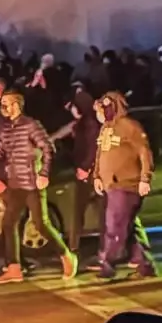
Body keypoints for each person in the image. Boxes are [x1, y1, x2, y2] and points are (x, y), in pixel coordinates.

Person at [0, 90, 77, 283]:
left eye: (7, 103)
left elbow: (47, 148)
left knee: (41, 224)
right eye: (2, 103)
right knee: (8, 224)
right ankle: (14, 268)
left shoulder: (30, 125)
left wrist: (44, 173)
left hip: (32, 183)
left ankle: (66, 255)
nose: (3, 107)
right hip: (14, 183)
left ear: (17, 105)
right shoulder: (6, 129)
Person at [91, 92, 157, 280]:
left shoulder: (130, 126)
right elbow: (100, 153)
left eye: (104, 107)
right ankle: (144, 265)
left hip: (127, 185)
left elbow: (145, 153)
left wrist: (145, 178)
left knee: (115, 226)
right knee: (127, 228)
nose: (101, 112)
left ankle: (108, 264)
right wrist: (97, 176)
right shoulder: (105, 128)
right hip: (111, 185)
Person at [65, 90, 104, 262]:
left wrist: (85, 168)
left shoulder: (90, 124)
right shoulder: (84, 123)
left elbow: (92, 148)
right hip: (89, 174)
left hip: (91, 175)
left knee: (94, 213)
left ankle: (77, 249)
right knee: (89, 213)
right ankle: (76, 247)